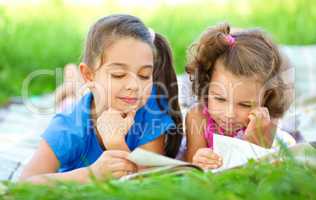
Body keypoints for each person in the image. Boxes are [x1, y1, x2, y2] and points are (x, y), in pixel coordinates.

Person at [20, 14, 183, 183]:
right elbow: (23, 185)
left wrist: (116, 143)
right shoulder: (67, 126)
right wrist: (91, 174)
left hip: (96, 94)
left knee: (82, 94)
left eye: (144, 75)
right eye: (118, 75)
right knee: (68, 101)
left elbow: (146, 181)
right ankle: (72, 83)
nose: (134, 86)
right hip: (82, 102)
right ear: (89, 75)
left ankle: (74, 83)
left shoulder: (151, 106)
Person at [185, 23, 294, 169]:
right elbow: (190, 169)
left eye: (245, 104)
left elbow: (262, 173)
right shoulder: (197, 116)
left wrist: (255, 144)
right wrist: (199, 160)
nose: (229, 114)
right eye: (220, 98)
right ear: (207, 83)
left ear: (265, 97)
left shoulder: (267, 124)